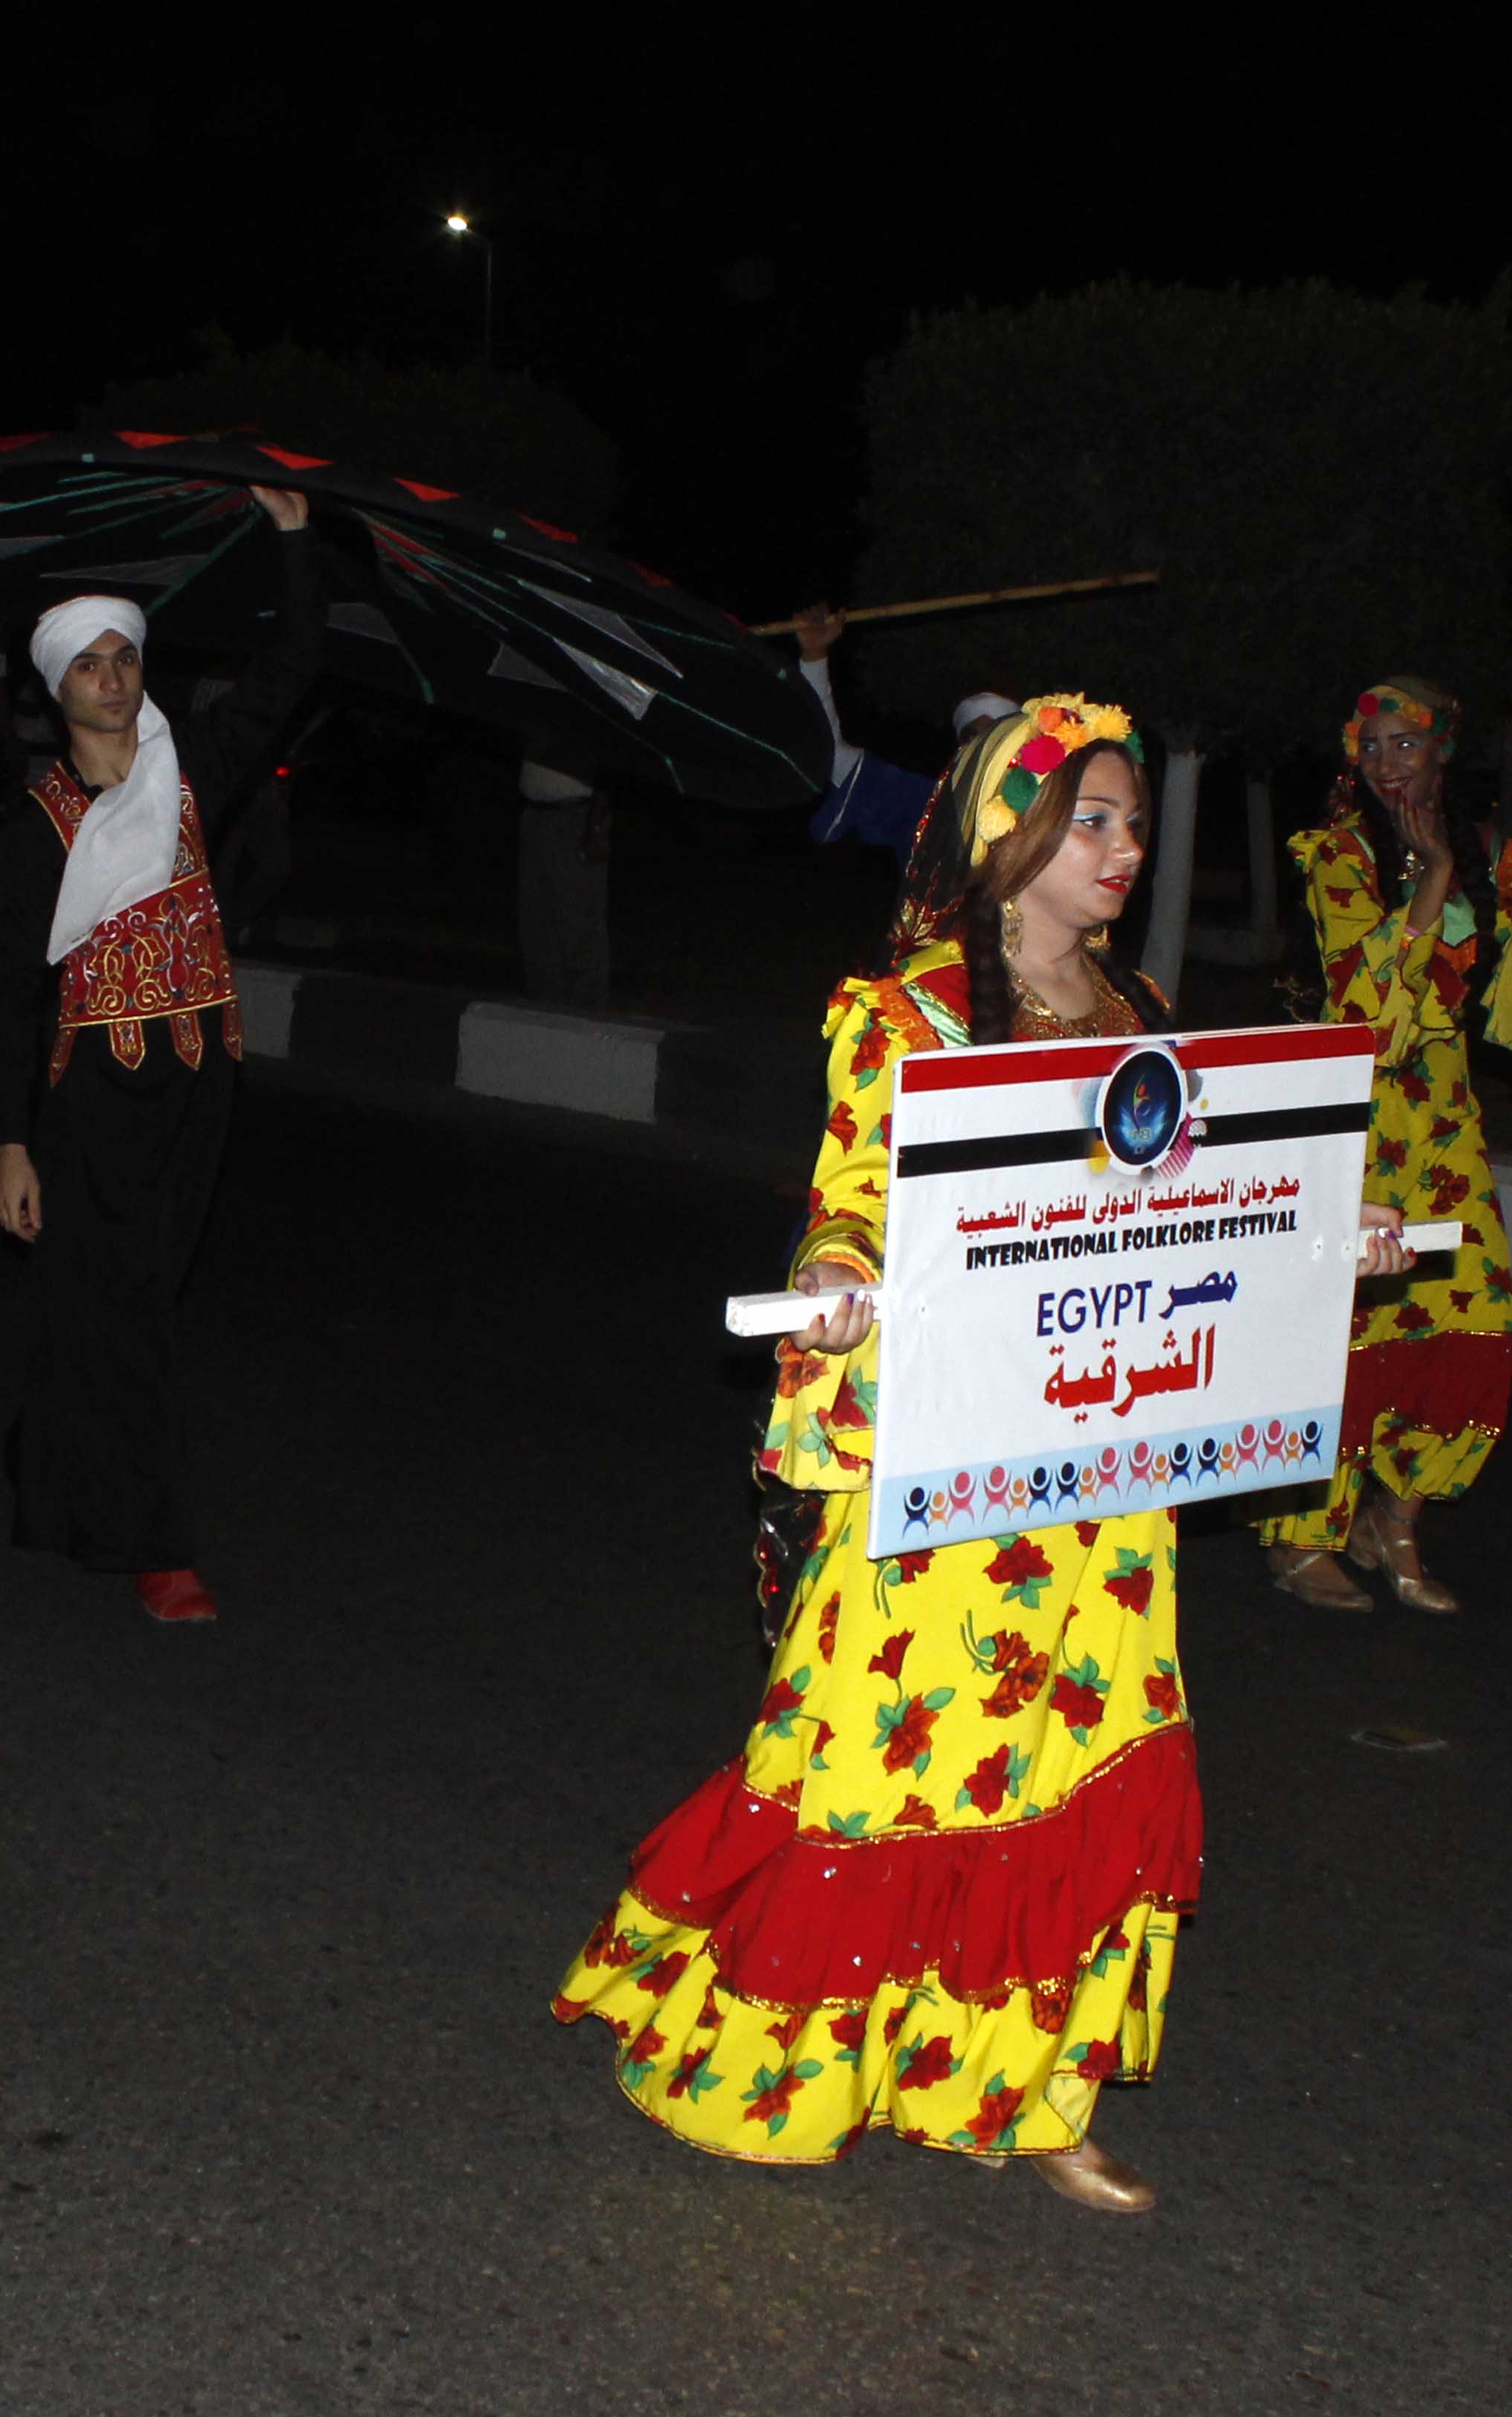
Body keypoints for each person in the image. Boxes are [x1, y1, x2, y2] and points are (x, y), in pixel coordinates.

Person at [551, 696, 1413, 2212]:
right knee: (892, 1768)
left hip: (1104, 1486)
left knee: (1081, 1768)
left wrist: (1328, 1237)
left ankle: (1030, 2091)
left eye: (1133, 822)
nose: (1125, 847)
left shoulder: (1143, 1011)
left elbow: (1191, 1217)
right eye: (1092, 819)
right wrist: (832, 1274)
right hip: (952, 1480)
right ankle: (786, 2068)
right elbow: (854, 1188)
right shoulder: (910, 1018)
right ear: (1004, 833)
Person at [0, 487, 319, 1622]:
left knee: (136, 1301)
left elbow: (290, 672)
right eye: (91, 663)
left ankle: (55, 1463)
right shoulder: (35, 825)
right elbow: (11, 999)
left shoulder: (189, 775)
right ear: (59, 685)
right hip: (97, 1099)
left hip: (202, 1081)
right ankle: (157, 1548)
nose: (114, 676)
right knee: (131, 1316)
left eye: (126, 657)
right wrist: (11, 1143)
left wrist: (293, 542)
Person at [1257, 680, 1512, 1612]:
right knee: (1345, 1324)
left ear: (1441, 751)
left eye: (1406, 744)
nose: (1386, 762)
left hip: (1444, 1123)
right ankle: (1304, 1529)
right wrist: (1433, 881)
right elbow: (1366, 1019)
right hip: (1354, 1116)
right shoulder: (1334, 854)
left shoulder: (1487, 852)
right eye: (1371, 746)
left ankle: (1395, 1521)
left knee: (1475, 1318)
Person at [792, 603, 1006, 858]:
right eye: (972, 736)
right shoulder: (926, 806)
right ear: (959, 750)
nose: (983, 746)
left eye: (997, 736)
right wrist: (815, 656)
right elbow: (832, 753)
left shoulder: (1050, 805)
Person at [514, 750, 609, 1009]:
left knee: (578, 923)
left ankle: (587, 1016)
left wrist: (596, 827)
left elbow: (611, 765)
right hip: (535, 813)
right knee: (536, 923)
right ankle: (545, 1010)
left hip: (574, 815)